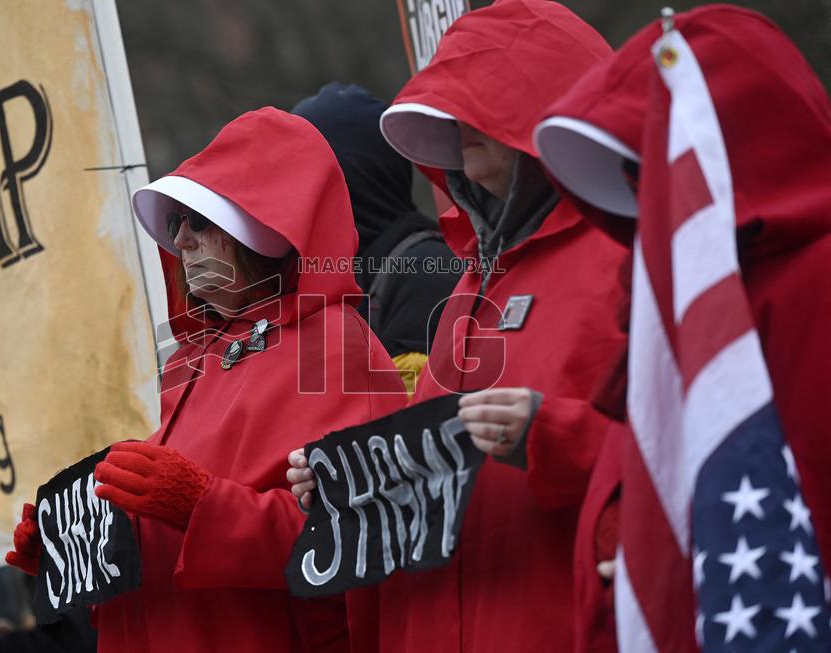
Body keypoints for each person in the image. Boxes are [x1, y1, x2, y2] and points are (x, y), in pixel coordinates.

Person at [288, 1, 630, 651]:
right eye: (448, 107)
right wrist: (345, 485)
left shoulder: (624, 258)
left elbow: (686, 448)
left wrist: (550, 435)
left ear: (543, 104)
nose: (456, 121)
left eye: (481, 99)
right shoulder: (469, 284)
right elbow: (431, 468)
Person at [6, 107, 407, 653]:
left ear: (266, 228)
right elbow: (161, 545)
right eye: (177, 223)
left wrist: (202, 508)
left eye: (200, 220)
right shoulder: (192, 358)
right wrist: (74, 550)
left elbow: (365, 535)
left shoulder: (335, 343)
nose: (182, 240)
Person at [534, 5, 831, 650]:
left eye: (659, 167)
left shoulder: (815, 284)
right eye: (635, 177)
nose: (651, 197)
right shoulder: (658, 297)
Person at [292, 82, 460, 394]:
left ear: (346, 174)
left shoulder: (425, 270)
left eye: (300, 170)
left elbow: (405, 422)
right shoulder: (327, 276)